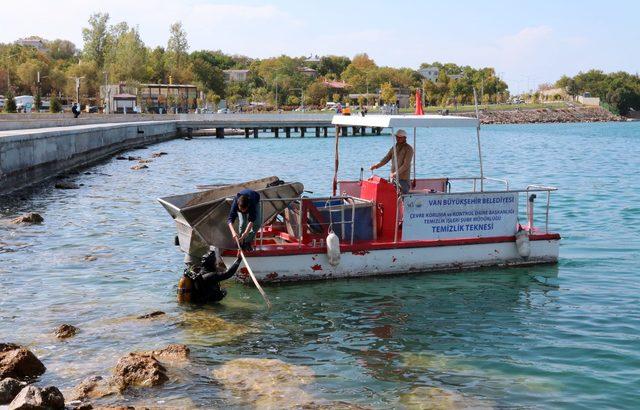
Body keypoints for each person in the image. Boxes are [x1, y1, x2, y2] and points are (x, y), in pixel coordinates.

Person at [370, 129, 414, 194]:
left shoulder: (409, 149)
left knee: (397, 196)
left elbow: (406, 165)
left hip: (403, 180)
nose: (398, 138)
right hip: (393, 179)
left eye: (400, 137)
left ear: (405, 138)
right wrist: (376, 166)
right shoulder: (394, 147)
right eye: (397, 137)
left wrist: (395, 173)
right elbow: (386, 158)